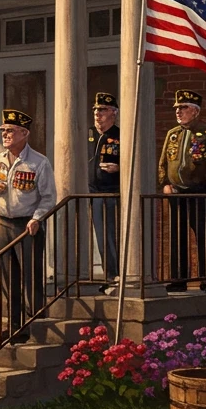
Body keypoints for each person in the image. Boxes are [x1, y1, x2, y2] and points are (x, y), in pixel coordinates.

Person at [0, 109, 56, 344]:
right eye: (3, 130)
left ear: (24, 133)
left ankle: (35, 326)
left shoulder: (39, 162)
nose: (5, 135)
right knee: (7, 277)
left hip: (27, 225)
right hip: (3, 223)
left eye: (11, 131)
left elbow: (48, 197)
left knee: (31, 277)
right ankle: (13, 326)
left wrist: (37, 218)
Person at [157, 89, 206, 293]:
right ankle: (178, 279)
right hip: (177, 192)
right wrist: (164, 183)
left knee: (204, 235)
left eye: (183, 107)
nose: (178, 111)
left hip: (200, 191)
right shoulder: (172, 134)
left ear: (195, 111)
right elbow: (163, 161)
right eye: (177, 108)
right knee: (177, 236)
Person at [88, 92, 120, 294]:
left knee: (109, 236)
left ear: (113, 113)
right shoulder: (89, 134)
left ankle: (115, 276)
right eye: (95, 110)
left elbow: (132, 164)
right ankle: (108, 276)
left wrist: (119, 169)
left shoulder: (119, 136)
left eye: (102, 110)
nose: (97, 114)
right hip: (90, 192)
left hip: (110, 192)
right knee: (99, 237)